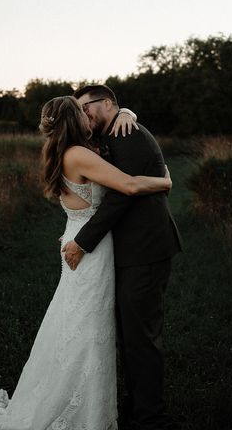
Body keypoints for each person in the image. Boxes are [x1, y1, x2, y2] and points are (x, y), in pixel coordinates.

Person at [0, 95, 172, 429]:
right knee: (86, 329)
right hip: (89, 251)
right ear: (74, 120)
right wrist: (165, 180)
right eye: (81, 111)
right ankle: (80, 409)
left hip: (82, 241)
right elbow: (128, 185)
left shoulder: (68, 151)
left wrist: (126, 110)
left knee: (79, 325)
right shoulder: (78, 154)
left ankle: (88, 402)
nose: (87, 114)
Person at [62, 84, 182, 430]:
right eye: (80, 109)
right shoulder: (116, 129)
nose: (85, 114)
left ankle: (152, 418)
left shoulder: (126, 132)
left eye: (88, 107)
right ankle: (137, 407)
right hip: (131, 250)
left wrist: (82, 241)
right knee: (133, 336)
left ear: (109, 104)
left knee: (142, 338)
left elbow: (119, 198)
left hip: (145, 250)